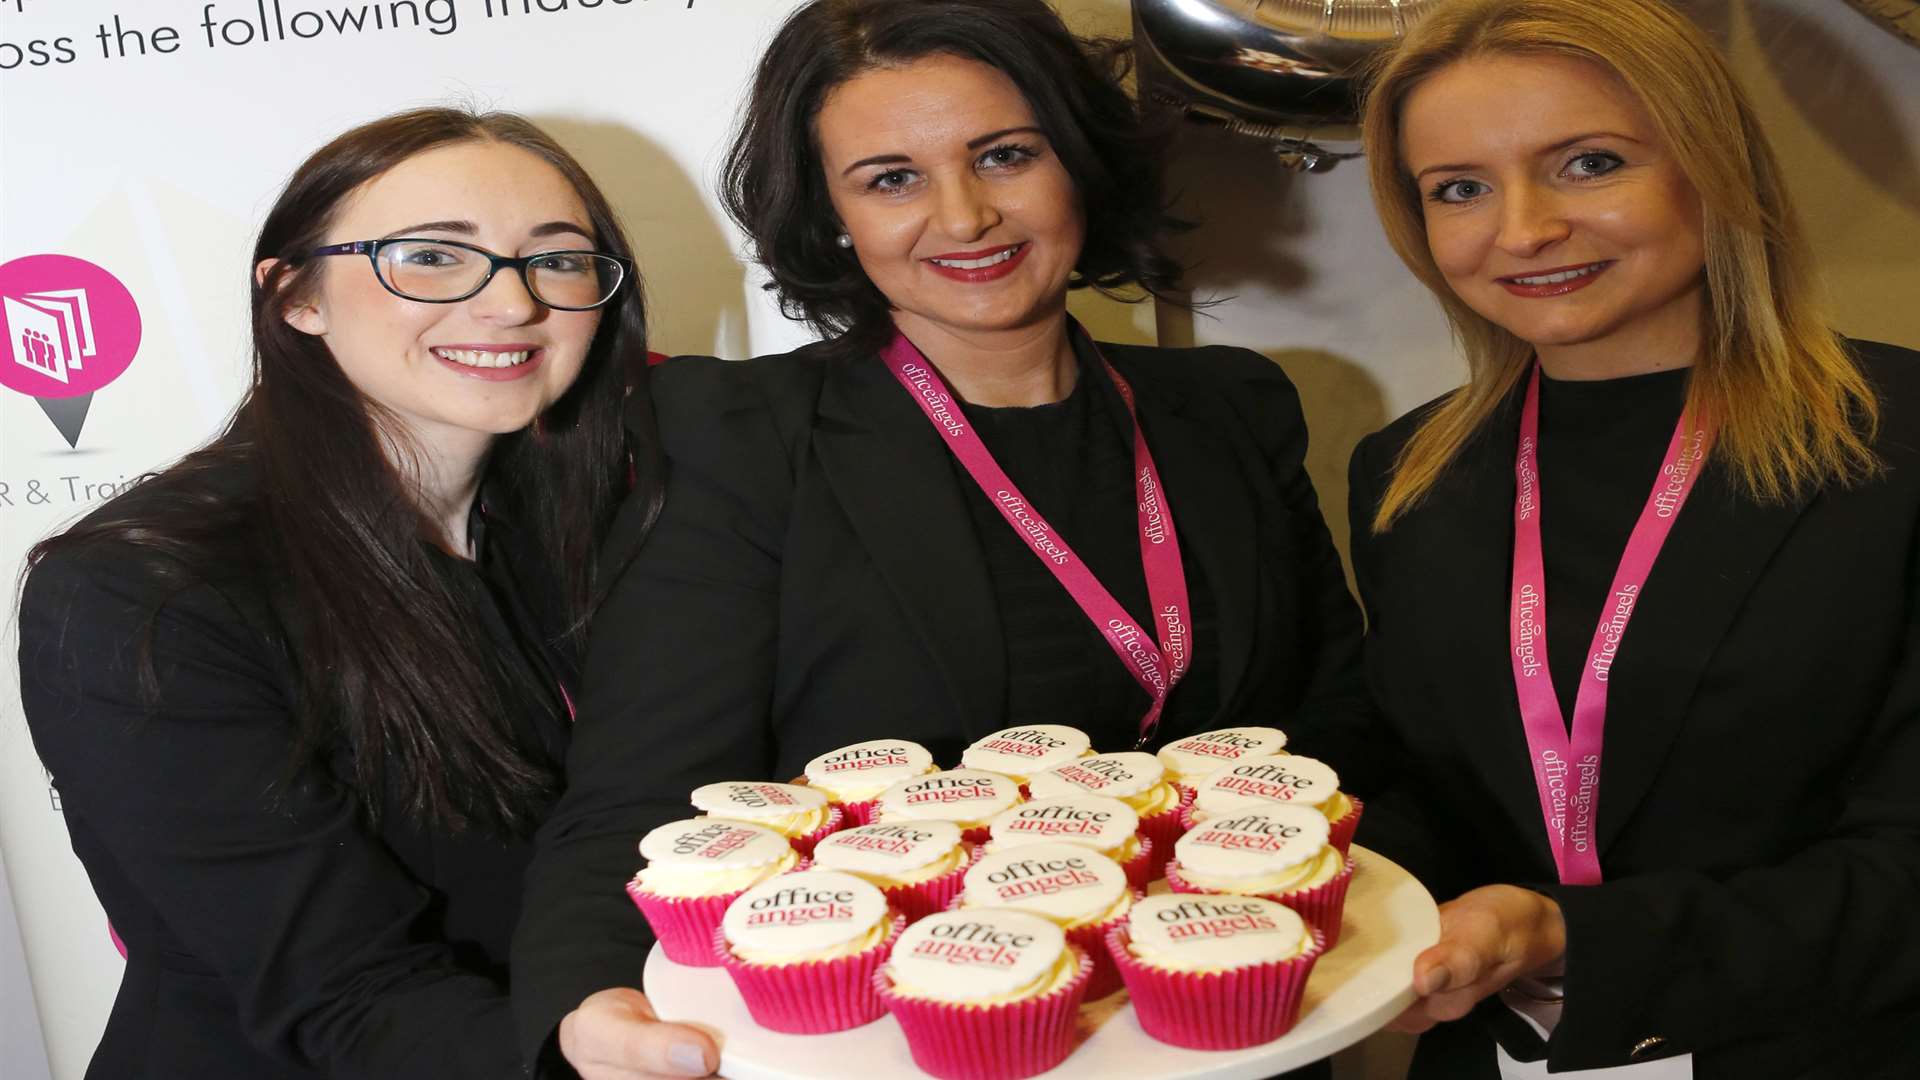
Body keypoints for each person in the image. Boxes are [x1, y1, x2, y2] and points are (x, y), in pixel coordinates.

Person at [511, 0, 1369, 1074]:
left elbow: (1342, 728)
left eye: (1004, 155)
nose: (965, 217)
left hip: (1236, 1040)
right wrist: (584, 1003)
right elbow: (642, 798)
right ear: (831, 218)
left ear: (1079, 165)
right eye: (891, 179)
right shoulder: (743, 441)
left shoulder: (1233, 407)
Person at [16, 107, 660, 1078]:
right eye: (434, 257)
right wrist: (575, 1056)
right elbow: (341, 992)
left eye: (558, 260)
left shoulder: (590, 524)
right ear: (293, 298)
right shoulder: (140, 592)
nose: (513, 303)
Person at [1347, 0, 1920, 1075]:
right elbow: (1433, 782)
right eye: (1459, 189)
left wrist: (1581, 942)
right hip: (1501, 1048)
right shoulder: (1407, 473)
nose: (1521, 230)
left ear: (1714, 169)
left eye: (1588, 163)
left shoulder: (1898, 443)